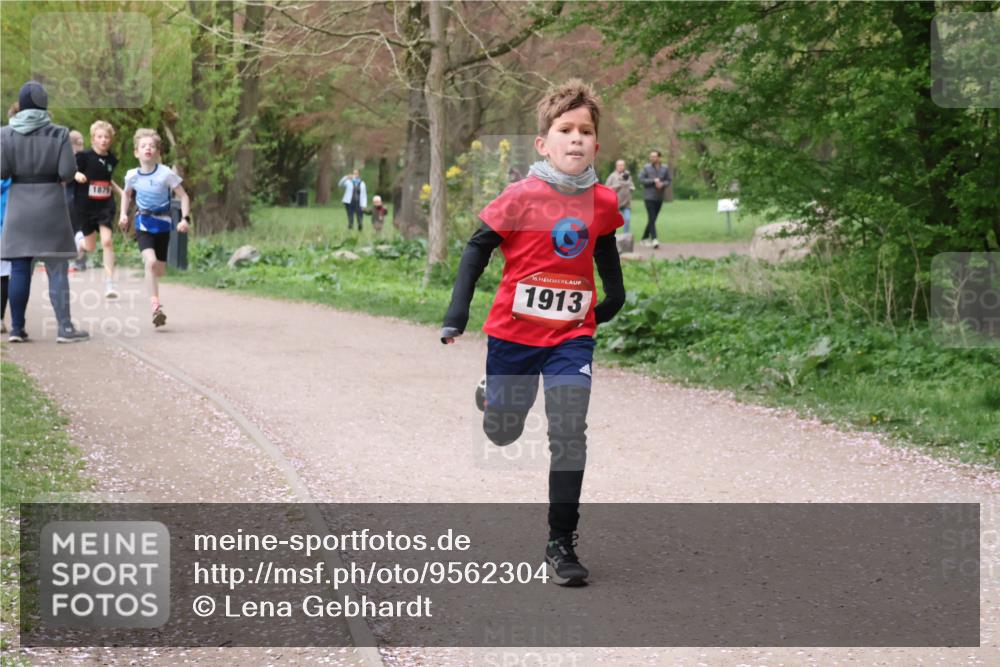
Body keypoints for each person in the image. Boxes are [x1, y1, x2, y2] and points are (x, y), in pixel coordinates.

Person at [440, 79, 626, 587]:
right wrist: (457, 312)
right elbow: (477, 248)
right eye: (565, 130)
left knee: (569, 429)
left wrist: (615, 294)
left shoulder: (604, 200)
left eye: (586, 131)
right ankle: (491, 399)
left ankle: (560, 543)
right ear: (543, 143)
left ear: (596, 143)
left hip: (571, 336)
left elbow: (603, 242)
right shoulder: (520, 197)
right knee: (504, 432)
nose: (576, 139)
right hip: (514, 336)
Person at [0, 81, 89, 343]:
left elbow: (2, 172)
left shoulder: (5, 134)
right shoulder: (59, 133)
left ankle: (17, 328)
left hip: (19, 207)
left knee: (19, 268)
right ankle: (65, 328)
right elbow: (66, 172)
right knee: (57, 269)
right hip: (51, 204)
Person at [119, 128, 191, 328]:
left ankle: (154, 286)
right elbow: (126, 194)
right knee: (150, 262)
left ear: (158, 152)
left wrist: (185, 219)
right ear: (136, 152)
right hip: (143, 222)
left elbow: (184, 196)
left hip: (163, 224)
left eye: (152, 146)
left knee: (159, 270)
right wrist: (123, 215)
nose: (148, 149)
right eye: (143, 146)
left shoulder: (166, 173)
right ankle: (155, 306)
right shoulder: (132, 175)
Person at [73, 120, 123, 297]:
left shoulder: (112, 159)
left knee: (107, 242)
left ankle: (110, 285)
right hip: (86, 207)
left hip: (105, 206)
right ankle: (79, 241)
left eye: (107, 137)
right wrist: (76, 174)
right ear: (93, 138)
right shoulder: (83, 157)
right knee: (90, 246)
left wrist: (119, 191)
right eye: (100, 136)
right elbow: (69, 171)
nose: (103, 140)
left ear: (111, 139)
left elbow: (106, 179)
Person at [638, 150, 671, 248]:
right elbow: (641, 179)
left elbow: (668, 180)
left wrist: (662, 184)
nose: (652, 158)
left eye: (654, 156)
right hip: (649, 197)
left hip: (659, 197)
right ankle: (655, 239)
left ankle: (644, 238)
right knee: (652, 218)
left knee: (653, 219)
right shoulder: (646, 168)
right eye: (651, 156)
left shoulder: (665, 168)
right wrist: (653, 181)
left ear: (659, 158)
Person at [66, 130, 86, 272]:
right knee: (81, 230)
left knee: (74, 230)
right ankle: (80, 262)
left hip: (68, 197)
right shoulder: (85, 158)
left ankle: (76, 260)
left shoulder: (68, 159)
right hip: (82, 198)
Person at [604, 159, 635, 234]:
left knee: (627, 219)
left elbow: (632, 187)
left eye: (622, 165)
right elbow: (606, 189)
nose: (621, 167)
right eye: (619, 165)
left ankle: (626, 237)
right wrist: (617, 186)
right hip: (615, 204)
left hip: (626, 204)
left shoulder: (628, 176)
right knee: (613, 222)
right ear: (616, 166)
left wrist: (631, 188)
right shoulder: (612, 176)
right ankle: (611, 237)